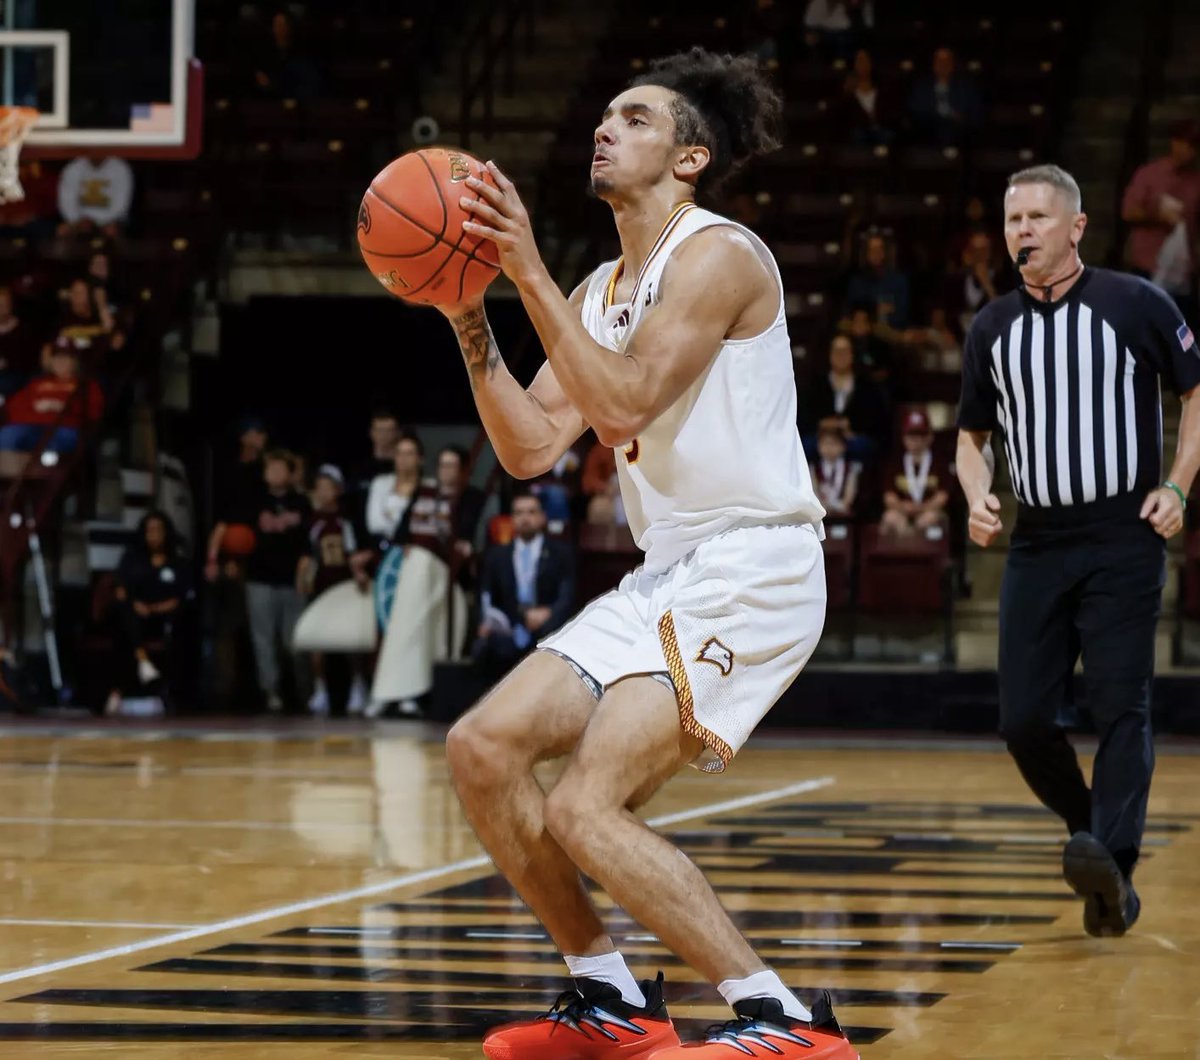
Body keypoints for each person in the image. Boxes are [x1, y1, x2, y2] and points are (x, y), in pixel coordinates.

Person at [435, 48, 853, 1059]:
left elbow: (621, 402)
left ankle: (785, 1019)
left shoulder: (720, 256)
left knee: (585, 802)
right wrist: (468, 318)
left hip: (757, 563)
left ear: (691, 157)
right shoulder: (601, 288)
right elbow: (533, 447)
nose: (605, 128)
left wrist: (526, 270)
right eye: (605, 115)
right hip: (669, 570)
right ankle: (610, 992)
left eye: (634, 117)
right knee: (481, 749)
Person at [957, 164, 1200, 938]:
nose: (1021, 231)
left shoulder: (1136, 302)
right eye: (1011, 219)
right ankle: (1089, 832)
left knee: (1119, 704)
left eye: (1035, 216)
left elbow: (1197, 389)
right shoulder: (992, 327)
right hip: (1039, 541)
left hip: (1123, 535)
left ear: (1075, 227)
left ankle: (1114, 868)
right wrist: (974, 495)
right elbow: (971, 438)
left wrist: (1181, 483)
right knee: (1023, 720)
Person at [473, 490, 576, 672]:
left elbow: (567, 596)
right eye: (519, 513)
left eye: (531, 512)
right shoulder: (497, 556)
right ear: (512, 519)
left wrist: (549, 613)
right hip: (509, 628)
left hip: (547, 628)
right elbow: (486, 596)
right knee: (484, 647)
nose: (525, 518)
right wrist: (487, 621)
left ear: (543, 517)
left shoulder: (561, 553)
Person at [243, 449, 311, 712]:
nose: (274, 473)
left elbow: (309, 543)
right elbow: (235, 532)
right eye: (269, 468)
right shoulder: (254, 501)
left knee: (295, 642)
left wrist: (304, 574)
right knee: (263, 640)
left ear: (290, 472)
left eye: (280, 468)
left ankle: (305, 693)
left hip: (292, 581)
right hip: (260, 579)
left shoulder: (301, 502)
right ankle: (271, 692)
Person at [298, 464, 369, 715]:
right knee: (318, 642)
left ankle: (358, 687)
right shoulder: (311, 521)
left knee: (351, 640)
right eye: (320, 488)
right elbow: (307, 554)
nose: (324, 492)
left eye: (329, 487)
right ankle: (321, 690)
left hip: (344, 585)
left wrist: (358, 573)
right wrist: (303, 577)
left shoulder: (346, 520)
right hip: (321, 586)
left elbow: (353, 552)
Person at [107, 511, 193, 714]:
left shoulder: (177, 562)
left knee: (178, 628)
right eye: (149, 530)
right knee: (124, 616)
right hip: (136, 616)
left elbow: (181, 598)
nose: (153, 535)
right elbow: (120, 589)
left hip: (164, 618)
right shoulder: (132, 558)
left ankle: (142, 669)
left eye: (158, 530)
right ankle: (140, 661)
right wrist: (135, 604)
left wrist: (154, 608)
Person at [1121, 119, 1200, 329]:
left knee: (1179, 332)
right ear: (1174, 143)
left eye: (1193, 147)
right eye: (1184, 144)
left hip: (1181, 271)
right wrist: (1158, 216)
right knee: (1144, 329)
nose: (1188, 151)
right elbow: (1128, 212)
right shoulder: (1150, 174)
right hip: (1147, 265)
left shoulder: (1196, 181)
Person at [0, 339, 103, 455]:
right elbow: (13, 407)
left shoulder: (86, 385)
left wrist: (64, 407)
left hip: (64, 427)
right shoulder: (37, 383)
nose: (59, 362)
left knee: (56, 443)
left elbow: (93, 412)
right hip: (29, 425)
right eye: (56, 358)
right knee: (7, 435)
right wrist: (35, 409)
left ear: (75, 361)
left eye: (65, 358)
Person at [799, 334, 890, 461]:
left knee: (864, 447)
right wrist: (823, 424)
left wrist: (849, 426)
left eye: (844, 351)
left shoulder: (866, 386)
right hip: (821, 438)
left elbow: (875, 418)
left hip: (852, 438)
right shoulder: (816, 385)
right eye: (837, 351)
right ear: (830, 355)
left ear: (852, 354)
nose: (840, 356)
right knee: (804, 447)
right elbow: (804, 415)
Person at [880, 409, 950, 536]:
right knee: (890, 517)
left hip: (929, 511)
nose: (916, 440)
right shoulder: (895, 462)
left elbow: (942, 496)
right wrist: (903, 507)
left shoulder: (940, 462)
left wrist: (922, 508)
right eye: (911, 435)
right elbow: (888, 497)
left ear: (930, 437)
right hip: (901, 511)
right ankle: (900, 553)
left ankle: (924, 553)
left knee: (930, 518)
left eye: (921, 435)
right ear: (903, 438)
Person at [906, 46, 983, 148]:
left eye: (947, 61)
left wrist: (961, 118)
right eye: (939, 61)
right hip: (928, 131)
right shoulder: (921, 86)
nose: (943, 65)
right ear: (933, 65)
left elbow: (975, 112)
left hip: (960, 133)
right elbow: (916, 109)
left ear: (952, 65)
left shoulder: (966, 86)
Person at [844, 232, 911, 330]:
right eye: (872, 249)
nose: (876, 253)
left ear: (885, 252)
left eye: (880, 249)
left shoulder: (899, 281)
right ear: (866, 253)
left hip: (893, 336)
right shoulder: (856, 282)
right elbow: (852, 313)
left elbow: (901, 316)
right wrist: (877, 310)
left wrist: (872, 313)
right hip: (862, 335)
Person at [56, 155, 135, 238]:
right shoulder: (73, 168)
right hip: (80, 221)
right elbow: (67, 201)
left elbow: (121, 204)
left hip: (111, 221)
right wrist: (77, 221)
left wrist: (101, 223)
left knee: (111, 231)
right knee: (62, 230)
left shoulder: (120, 168)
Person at [810, 424, 861, 519]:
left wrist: (842, 506)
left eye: (833, 444)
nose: (828, 448)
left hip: (843, 512)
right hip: (820, 510)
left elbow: (849, 495)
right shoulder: (813, 468)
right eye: (824, 443)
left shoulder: (850, 468)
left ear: (843, 446)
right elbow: (814, 491)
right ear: (818, 446)